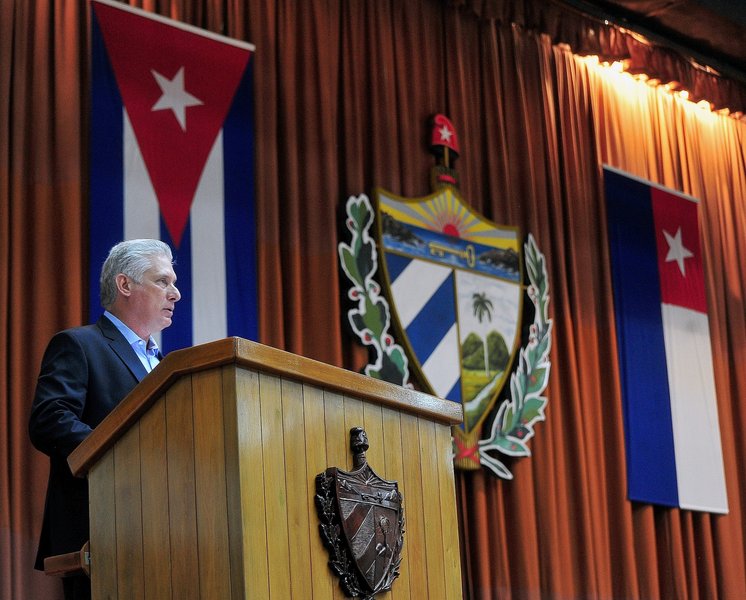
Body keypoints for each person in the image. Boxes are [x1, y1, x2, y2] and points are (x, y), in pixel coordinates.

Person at [29, 239, 181, 600]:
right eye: (162, 281)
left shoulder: (167, 368)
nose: (175, 293)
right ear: (124, 285)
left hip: (169, 538)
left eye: (174, 283)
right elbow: (50, 420)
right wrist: (124, 452)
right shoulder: (80, 344)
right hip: (103, 533)